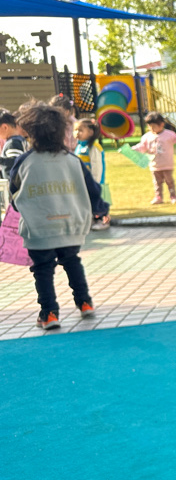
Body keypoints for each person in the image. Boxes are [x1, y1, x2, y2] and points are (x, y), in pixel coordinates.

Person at [8, 103, 108, 330]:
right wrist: (100, 209)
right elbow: (92, 189)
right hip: (70, 224)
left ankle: (50, 314)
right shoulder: (72, 160)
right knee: (72, 261)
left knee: (43, 269)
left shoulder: (25, 161)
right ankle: (84, 302)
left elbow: (14, 192)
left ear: (31, 132)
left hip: (38, 227)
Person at [133, 112, 176, 204]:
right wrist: (133, 149)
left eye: (153, 126)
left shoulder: (169, 134)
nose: (151, 128)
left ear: (161, 124)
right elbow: (142, 146)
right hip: (154, 165)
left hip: (167, 164)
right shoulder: (147, 137)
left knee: (169, 181)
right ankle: (158, 197)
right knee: (157, 183)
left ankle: (173, 196)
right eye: (149, 126)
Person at [73, 118, 110, 230]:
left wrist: (95, 182)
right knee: (86, 201)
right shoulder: (79, 147)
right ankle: (90, 220)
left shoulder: (94, 147)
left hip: (94, 182)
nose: (77, 133)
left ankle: (103, 221)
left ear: (90, 132)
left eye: (80, 130)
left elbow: (96, 166)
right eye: (75, 130)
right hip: (83, 181)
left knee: (98, 202)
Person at [0, 109, 28, 181]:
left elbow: (15, 162)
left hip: (13, 184)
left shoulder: (13, 143)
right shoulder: (20, 140)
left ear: (5, 127)